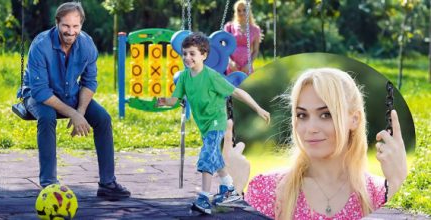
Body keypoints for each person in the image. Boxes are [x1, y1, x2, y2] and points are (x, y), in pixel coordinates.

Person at [235, 68, 408, 219]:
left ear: (354, 120)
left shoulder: (378, 194)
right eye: (302, 115)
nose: (311, 128)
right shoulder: (266, 190)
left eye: (326, 114)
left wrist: (398, 183)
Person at [20, 2, 130, 200]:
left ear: (81, 25)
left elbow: (89, 82)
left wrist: (80, 110)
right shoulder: (41, 45)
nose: (70, 31)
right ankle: (49, 184)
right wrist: (74, 114)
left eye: (75, 26)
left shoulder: (86, 44)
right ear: (57, 23)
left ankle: (107, 183)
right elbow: (40, 91)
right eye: (66, 26)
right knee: (46, 118)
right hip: (37, 96)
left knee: (103, 118)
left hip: (71, 93)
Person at [157, 32, 270, 214]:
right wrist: (163, 101)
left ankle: (204, 199)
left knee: (207, 156)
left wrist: (258, 108)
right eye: (185, 53)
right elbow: (174, 99)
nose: (187, 57)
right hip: (204, 124)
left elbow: (237, 92)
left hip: (216, 122)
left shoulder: (211, 77)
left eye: (192, 54)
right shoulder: (185, 77)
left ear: (204, 55)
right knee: (216, 158)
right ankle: (229, 189)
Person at [224, 0, 262, 75]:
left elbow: (255, 51)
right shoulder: (229, 27)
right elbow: (224, 48)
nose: (241, 12)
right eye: (239, 10)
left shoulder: (255, 29)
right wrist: (230, 62)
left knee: (245, 86)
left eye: (244, 10)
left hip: (247, 67)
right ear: (235, 12)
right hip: (232, 67)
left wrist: (249, 64)